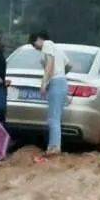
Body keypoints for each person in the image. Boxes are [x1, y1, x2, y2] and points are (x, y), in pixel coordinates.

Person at [30, 29, 69, 157]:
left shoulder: (47, 45)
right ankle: (54, 146)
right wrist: (61, 73)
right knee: (56, 117)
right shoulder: (58, 49)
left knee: (53, 118)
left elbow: (50, 65)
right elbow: (69, 65)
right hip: (62, 83)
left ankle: (54, 147)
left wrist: (44, 83)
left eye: (34, 43)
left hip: (56, 83)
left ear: (39, 39)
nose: (35, 47)